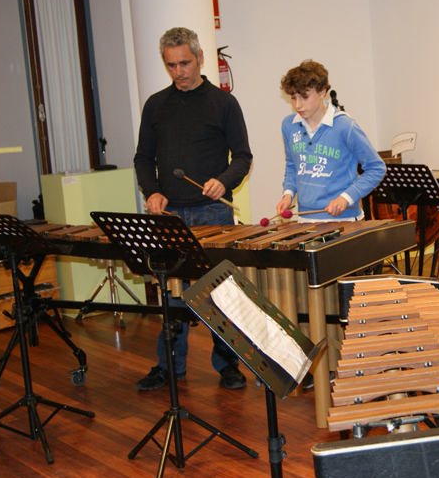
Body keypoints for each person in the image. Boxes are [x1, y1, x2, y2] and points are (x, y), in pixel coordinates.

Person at [133, 27, 252, 391]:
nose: (179, 71)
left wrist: (223, 181)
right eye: (171, 65)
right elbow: (143, 158)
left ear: (200, 58)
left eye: (185, 63)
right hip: (170, 216)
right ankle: (170, 365)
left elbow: (242, 157)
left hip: (212, 213)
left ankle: (228, 364)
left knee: (220, 294)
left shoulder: (223, 103)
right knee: (172, 295)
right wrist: (152, 191)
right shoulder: (156, 104)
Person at [275, 60, 385, 221]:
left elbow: (376, 168)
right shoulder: (289, 125)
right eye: (293, 98)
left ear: (322, 92)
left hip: (344, 220)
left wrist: (346, 198)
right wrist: (288, 194)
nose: (298, 105)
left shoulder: (345, 126)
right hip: (305, 218)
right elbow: (293, 166)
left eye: (304, 97)